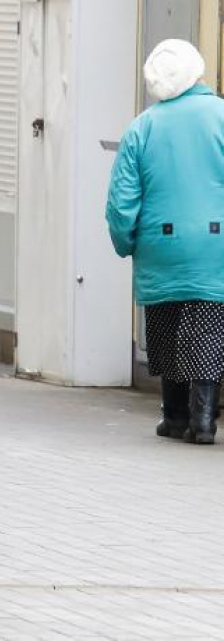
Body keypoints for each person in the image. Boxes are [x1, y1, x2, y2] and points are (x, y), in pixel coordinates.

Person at [107, 39, 224, 446]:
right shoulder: (222, 116)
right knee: (208, 327)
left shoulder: (142, 126)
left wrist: (125, 242)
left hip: (160, 246)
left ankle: (174, 416)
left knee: (168, 327)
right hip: (215, 248)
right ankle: (205, 419)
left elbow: (122, 203)